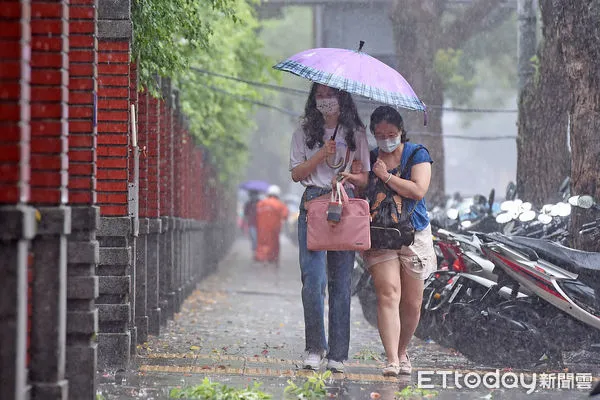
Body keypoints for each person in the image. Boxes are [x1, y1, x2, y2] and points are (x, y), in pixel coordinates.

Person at [341, 105, 436, 377]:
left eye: (391, 133)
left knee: (412, 303)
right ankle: (392, 358)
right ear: (373, 133)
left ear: (401, 132)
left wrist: (387, 176)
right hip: (379, 234)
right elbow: (362, 192)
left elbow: (418, 190)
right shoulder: (369, 158)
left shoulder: (417, 154)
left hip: (413, 231)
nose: (386, 139)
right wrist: (358, 176)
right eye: (380, 134)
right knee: (388, 293)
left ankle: (403, 349)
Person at [289, 83, 370, 373]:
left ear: (342, 98)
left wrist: (352, 174)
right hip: (313, 203)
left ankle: (338, 353)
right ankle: (314, 347)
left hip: (344, 203)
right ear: (313, 99)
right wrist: (321, 155)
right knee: (313, 280)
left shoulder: (356, 133)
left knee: (341, 283)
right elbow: (297, 174)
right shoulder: (303, 132)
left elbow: (364, 179)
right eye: (320, 95)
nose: (325, 101)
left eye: (331, 95)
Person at [255, 185, 289, 264]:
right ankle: (271, 260)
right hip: (274, 230)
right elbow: (285, 216)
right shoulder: (279, 204)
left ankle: (262, 259)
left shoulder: (260, 203)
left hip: (261, 230)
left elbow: (255, 215)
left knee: (262, 244)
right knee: (273, 246)